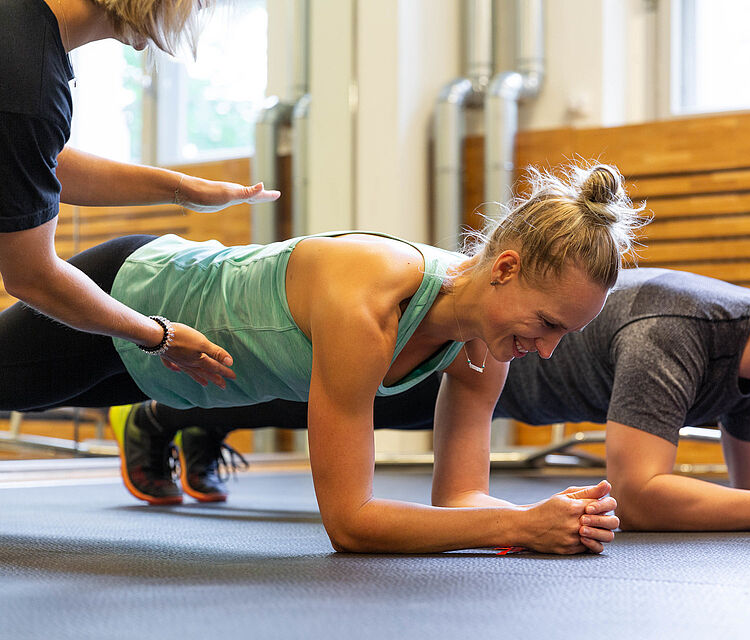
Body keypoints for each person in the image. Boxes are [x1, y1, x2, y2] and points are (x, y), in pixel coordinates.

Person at [0, 162, 648, 554]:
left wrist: (542, 519)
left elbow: (460, 496)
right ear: (505, 268)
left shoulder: (484, 350)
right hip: (130, 301)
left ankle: (150, 420)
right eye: (546, 323)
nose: (547, 349)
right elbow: (351, 523)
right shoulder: (369, 304)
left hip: (175, 376)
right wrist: (520, 531)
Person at [144, 245, 750, 532]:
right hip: (481, 359)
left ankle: (185, 414)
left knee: (326, 395)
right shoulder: (680, 332)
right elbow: (643, 493)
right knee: (319, 388)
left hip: (505, 389)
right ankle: (162, 410)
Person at [0, 0, 280, 386]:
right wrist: (160, 336)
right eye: (197, 4)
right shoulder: (27, 83)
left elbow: (33, 159)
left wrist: (181, 188)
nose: (194, 17)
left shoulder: (22, 30)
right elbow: (32, 277)